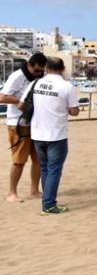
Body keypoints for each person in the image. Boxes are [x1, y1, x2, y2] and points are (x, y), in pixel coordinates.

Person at [25, 56, 79, 215]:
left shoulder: (35, 83)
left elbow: (25, 103)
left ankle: (47, 200)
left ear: (46, 68)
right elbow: (74, 111)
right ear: (62, 69)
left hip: (37, 133)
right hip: (56, 134)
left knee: (45, 168)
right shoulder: (66, 86)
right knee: (54, 169)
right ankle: (48, 204)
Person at [0, 52, 46, 203]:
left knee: (38, 158)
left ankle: (34, 190)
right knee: (19, 160)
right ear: (29, 65)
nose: (39, 74)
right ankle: (12, 193)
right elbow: (3, 96)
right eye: (36, 70)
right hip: (17, 123)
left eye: (42, 71)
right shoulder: (17, 76)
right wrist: (22, 101)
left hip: (36, 123)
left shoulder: (40, 78)